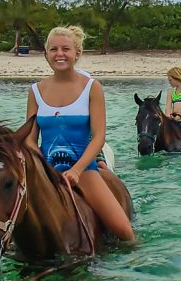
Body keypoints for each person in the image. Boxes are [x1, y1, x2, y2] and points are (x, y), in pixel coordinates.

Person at [25, 25, 134, 241]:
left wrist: (76, 171)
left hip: (84, 172)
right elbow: (29, 139)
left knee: (125, 234)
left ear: (77, 53)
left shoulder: (92, 87)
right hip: (46, 173)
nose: (59, 54)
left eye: (65, 49)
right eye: (53, 49)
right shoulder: (35, 91)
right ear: (46, 54)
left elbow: (99, 137)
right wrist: (43, 170)